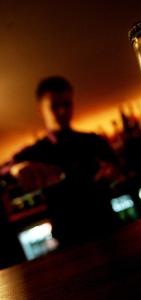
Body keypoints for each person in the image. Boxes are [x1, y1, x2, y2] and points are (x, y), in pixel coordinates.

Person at [0, 76, 121, 248]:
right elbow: (4, 170)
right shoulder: (35, 151)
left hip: (109, 227)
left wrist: (112, 172)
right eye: (55, 106)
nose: (62, 111)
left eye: (67, 104)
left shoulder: (93, 141)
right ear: (41, 110)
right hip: (69, 240)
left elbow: (117, 169)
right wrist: (17, 169)